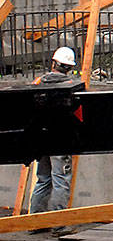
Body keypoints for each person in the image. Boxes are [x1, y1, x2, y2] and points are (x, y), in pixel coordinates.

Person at [30, 46, 77, 214]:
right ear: (70, 67)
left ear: (54, 63)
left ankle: (35, 222)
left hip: (41, 140)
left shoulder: (37, 83)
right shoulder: (71, 86)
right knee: (61, 180)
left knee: (43, 180)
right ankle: (59, 223)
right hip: (61, 141)